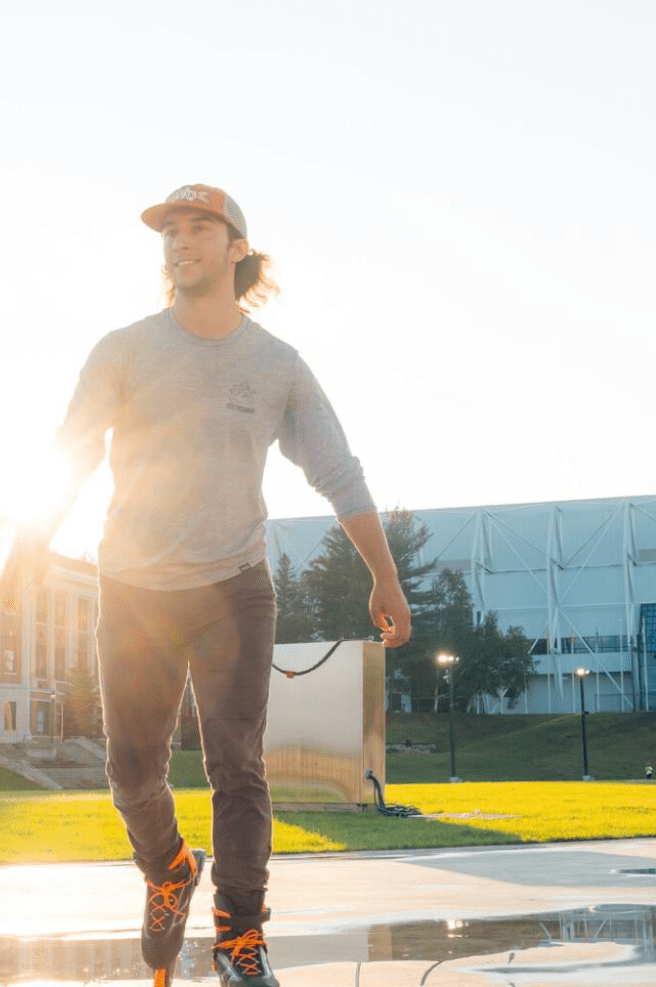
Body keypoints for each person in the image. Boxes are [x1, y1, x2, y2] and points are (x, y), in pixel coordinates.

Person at [10, 183, 411, 987]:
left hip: (233, 586)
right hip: (134, 590)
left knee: (237, 762)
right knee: (131, 770)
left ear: (237, 249)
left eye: (200, 227)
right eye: (170, 230)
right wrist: (18, 570)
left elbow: (337, 470)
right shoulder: (123, 349)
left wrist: (385, 578)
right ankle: (167, 869)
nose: (179, 239)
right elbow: (70, 456)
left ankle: (240, 931)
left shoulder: (277, 366)